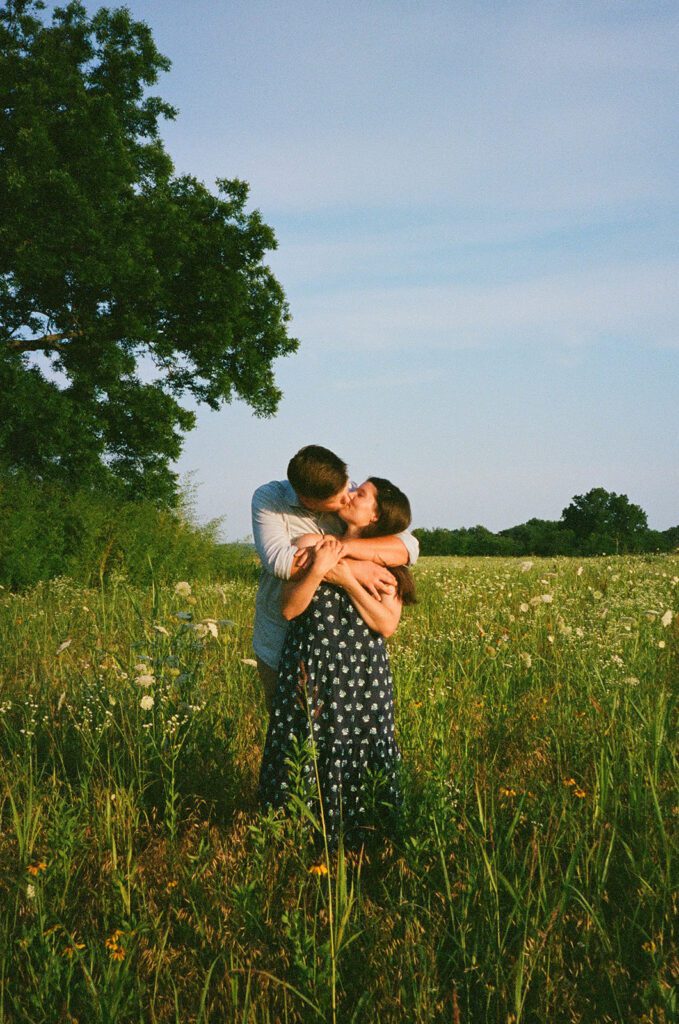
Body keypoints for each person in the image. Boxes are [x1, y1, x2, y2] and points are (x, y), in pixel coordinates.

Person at [258, 477, 416, 849]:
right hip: (310, 663)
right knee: (305, 744)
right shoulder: (314, 544)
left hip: (363, 670)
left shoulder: (389, 560)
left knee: (361, 743)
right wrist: (323, 569)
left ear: (376, 515)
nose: (353, 491)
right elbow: (289, 607)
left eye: (362, 494)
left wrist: (345, 577)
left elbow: (386, 624)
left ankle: (363, 839)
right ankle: (296, 835)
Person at [251, 445, 419, 712]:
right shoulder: (271, 501)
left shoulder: (350, 500)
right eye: (341, 497)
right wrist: (355, 571)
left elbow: (408, 545)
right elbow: (281, 564)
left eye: (351, 489)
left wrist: (344, 552)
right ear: (310, 503)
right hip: (283, 647)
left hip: (357, 665)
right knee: (294, 738)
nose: (349, 495)